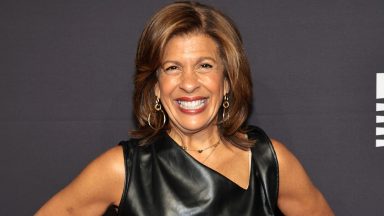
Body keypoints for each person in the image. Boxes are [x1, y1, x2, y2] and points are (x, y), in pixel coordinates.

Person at [36, 1, 334, 215]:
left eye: (204, 66)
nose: (189, 84)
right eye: (172, 68)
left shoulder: (270, 163)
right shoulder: (121, 170)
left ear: (227, 80)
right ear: (155, 85)